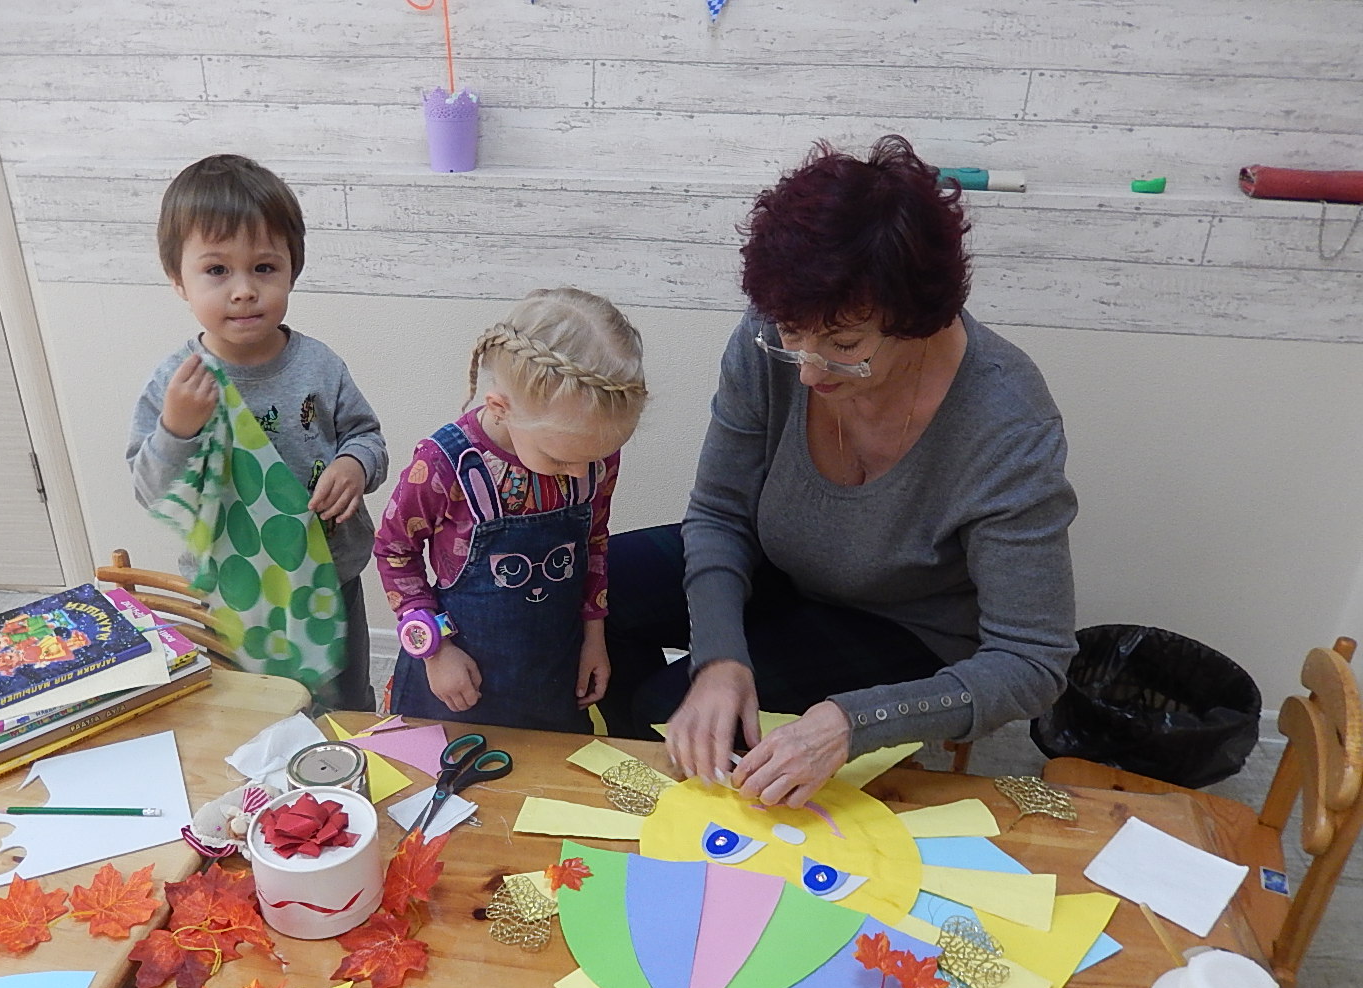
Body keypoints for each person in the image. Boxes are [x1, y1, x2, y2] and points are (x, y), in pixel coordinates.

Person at [600, 135, 1077, 806]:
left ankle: (693, 804)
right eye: (792, 337)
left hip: (906, 626)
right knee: (587, 591)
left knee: (668, 710)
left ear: (917, 320)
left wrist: (853, 722)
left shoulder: (1006, 421)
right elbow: (719, 514)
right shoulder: (776, 335)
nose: (809, 370)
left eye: (844, 345)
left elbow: (1033, 662)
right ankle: (641, 786)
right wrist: (719, 657)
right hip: (784, 566)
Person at [126, 153, 387, 709]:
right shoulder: (178, 383)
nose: (243, 290)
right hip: (232, 592)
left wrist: (354, 465)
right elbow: (153, 493)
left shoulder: (318, 365)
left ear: (293, 269)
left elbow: (368, 438)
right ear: (178, 279)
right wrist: (177, 428)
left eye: (264, 268)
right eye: (217, 270)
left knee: (344, 706)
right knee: (248, 708)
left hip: (329, 578)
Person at [374, 287, 649, 733]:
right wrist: (435, 650)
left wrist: (594, 638)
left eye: (595, 457)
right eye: (559, 459)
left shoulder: (592, 456)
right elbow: (394, 550)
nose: (580, 472)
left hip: (551, 673)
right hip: (457, 680)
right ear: (501, 409)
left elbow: (595, 543)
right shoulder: (443, 465)